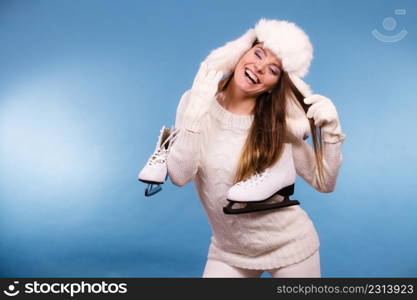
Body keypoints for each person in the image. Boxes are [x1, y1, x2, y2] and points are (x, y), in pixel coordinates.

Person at [166, 18, 346, 278]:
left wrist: (332, 133)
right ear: (241, 52)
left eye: (273, 70)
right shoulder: (194, 103)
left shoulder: (279, 124)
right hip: (229, 251)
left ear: (276, 85)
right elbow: (180, 176)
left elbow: (324, 182)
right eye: (258, 54)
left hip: (289, 246)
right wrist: (195, 115)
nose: (259, 68)